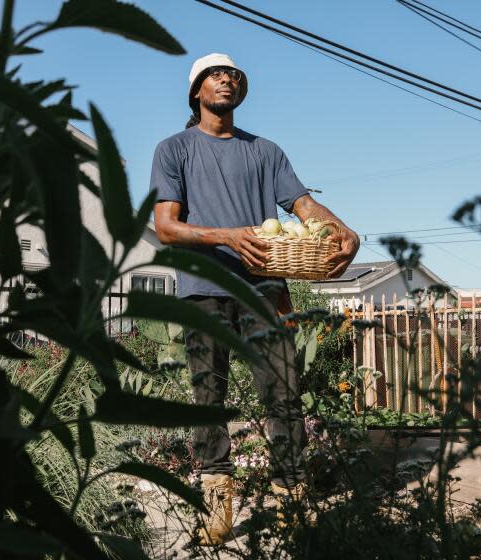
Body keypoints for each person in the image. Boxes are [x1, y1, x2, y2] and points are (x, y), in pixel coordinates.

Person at [150, 53, 359, 544]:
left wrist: (341, 228)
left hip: (265, 290)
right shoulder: (174, 149)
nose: (227, 79)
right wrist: (227, 236)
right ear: (196, 90)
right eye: (215, 74)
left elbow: (303, 206)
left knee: (284, 394)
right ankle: (217, 509)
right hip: (203, 289)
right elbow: (165, 226)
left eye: (234, 75)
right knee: (209, 399)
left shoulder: (265, 152)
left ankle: (291, 502)